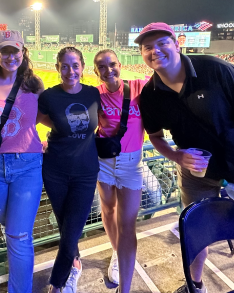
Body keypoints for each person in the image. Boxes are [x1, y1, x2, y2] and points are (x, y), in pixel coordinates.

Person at [136, 22, 234, 293]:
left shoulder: (218, 69)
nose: (155, 50)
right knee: (195, 236)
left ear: (177, 44)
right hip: (197, 176)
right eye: (147, 47)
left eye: (162, 43)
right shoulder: (149, 95)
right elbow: (156, 137)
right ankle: (194, 285)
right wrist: (176, 156)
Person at [0, 30, 44, 293]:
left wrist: (45, 138)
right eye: (4, 51)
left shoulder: (35, 85)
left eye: (15, 50)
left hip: (27, 164)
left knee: (18, 236)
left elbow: (46, 117)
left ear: (23, 52)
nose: (10, 56)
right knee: (11, 229)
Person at [37, 46, 101, 293]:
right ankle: (75, 264)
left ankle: (56, 282)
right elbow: (36, 121)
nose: (70, 71)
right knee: (66, 227)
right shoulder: (49, 97)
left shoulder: (93, 94)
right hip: (55, 170)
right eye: (65, 66)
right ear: (58, 68)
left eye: (75, 65)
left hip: (85, 172)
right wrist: (45, 139)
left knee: (72, 229)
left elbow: (106, 122)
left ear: (83, 68)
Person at [93, 49, 148, 293]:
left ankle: (124, 286)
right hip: (103, 161)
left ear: (120, 64)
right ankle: (117, 253)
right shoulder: (95, 95)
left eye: (111, 64)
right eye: (102, 67)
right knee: (108, 209)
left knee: (128, 224)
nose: (108, 70)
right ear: (96, 72)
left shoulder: (140, 86)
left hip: (131, 163)